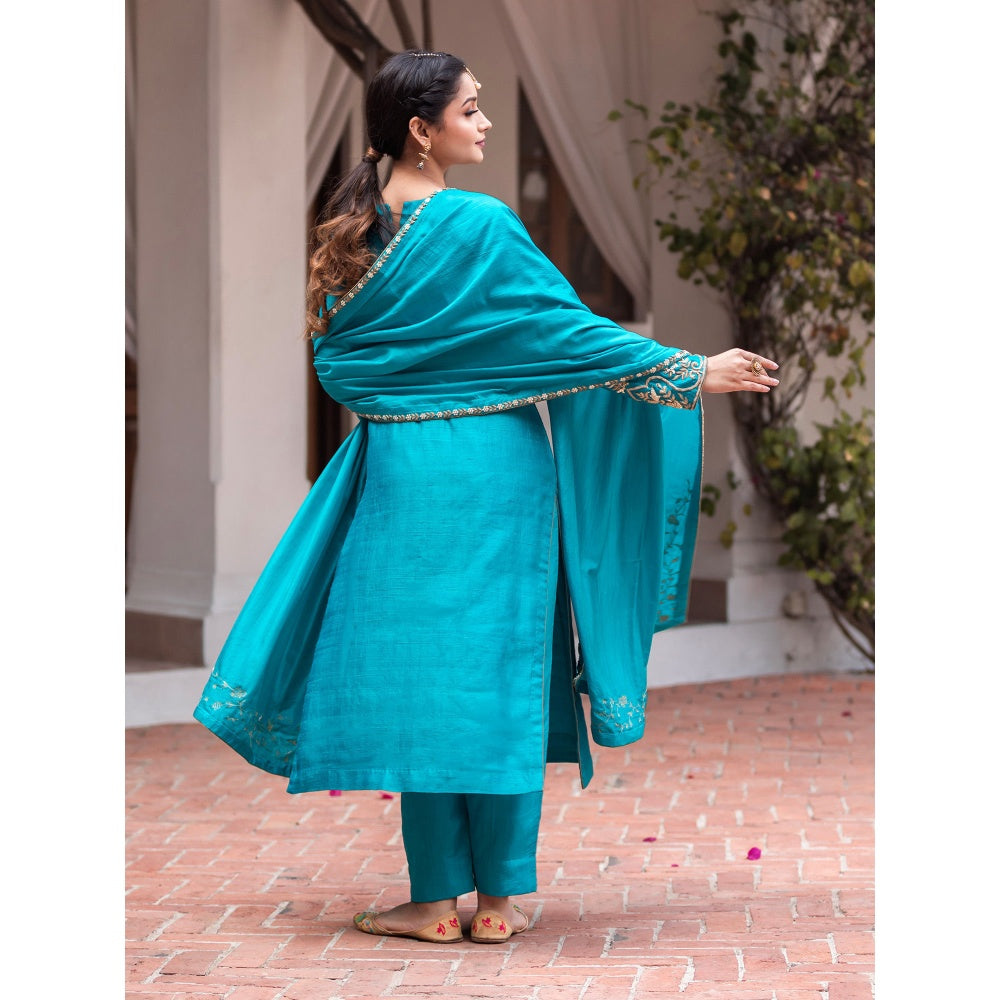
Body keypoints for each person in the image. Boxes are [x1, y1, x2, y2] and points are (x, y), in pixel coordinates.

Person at [194, 50, 778, 946]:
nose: (486, 122)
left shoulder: (348, 235)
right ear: (420, 129)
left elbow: (339, 368)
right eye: (470, 110)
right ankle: (500, 901)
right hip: (498, 472)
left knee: (427, 679)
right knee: (505, 668)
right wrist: (690, 372)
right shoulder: (482, 224)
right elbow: (568, 336)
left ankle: (434, 902)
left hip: (401, 472)